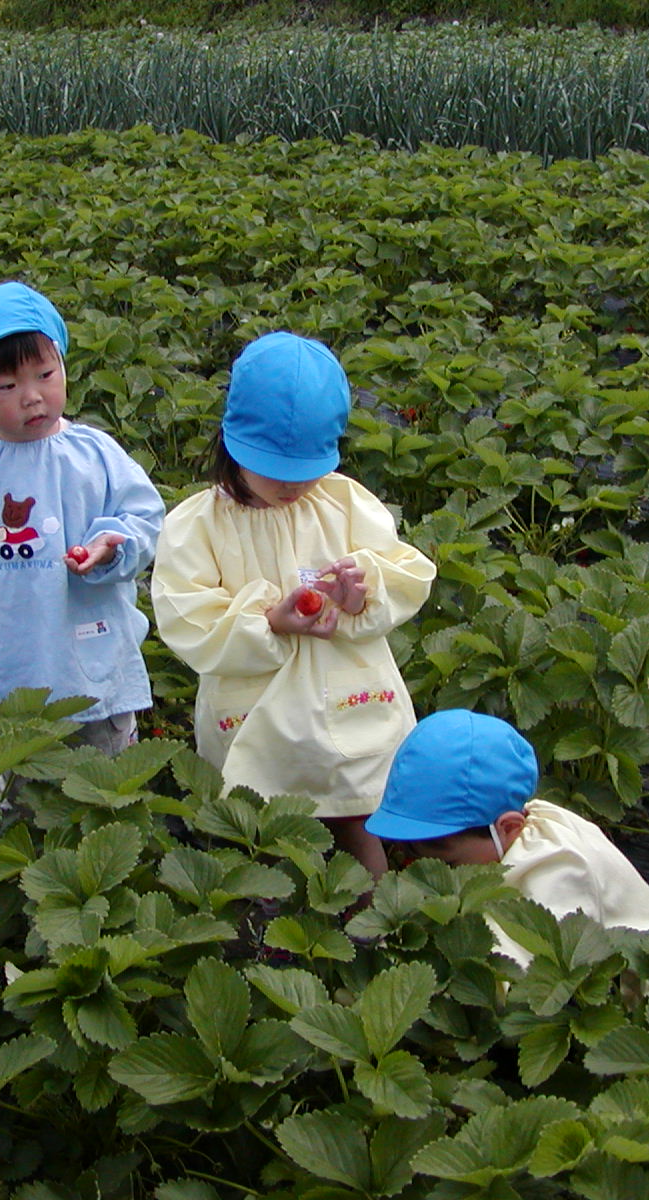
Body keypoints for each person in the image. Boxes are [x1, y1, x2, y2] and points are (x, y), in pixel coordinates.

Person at [151, 331, 435, 875]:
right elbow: (188, 615)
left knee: (355, 811)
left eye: (306, 471)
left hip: (342, 691)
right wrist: (269, 622)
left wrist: (362, 592)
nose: (291, 486)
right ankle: (263, 904)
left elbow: (403, 573)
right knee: (259, 819)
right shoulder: (197, 525)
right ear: (231, 442)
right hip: (261, 704)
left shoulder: (343, 501)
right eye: (275, 469)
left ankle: (374, 906)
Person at [0, 281, 163, 754]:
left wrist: (110, 546)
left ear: (64, 366)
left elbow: (145, 516)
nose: (32, 396)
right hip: (5, 653)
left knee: (102, 768)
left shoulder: (93, 453)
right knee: (15, 768)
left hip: (88, 657)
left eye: (45, 374)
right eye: (7, 386)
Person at [366, 709, 649, 967]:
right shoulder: (507, 822)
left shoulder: (558, 871)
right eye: (407, 852)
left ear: (508, 827)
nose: (424, 871)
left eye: (448, 863)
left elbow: (522, 979)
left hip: (634, 978)